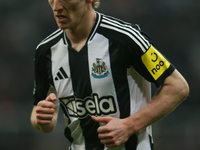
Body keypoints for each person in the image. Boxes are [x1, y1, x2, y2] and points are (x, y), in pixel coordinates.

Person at [30, 0, 189, 150]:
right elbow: (41, 114)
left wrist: (129, 125)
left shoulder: (125, 38)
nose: (56, 6)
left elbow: (178, 87)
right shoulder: (45, 51)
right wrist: (42, 119)